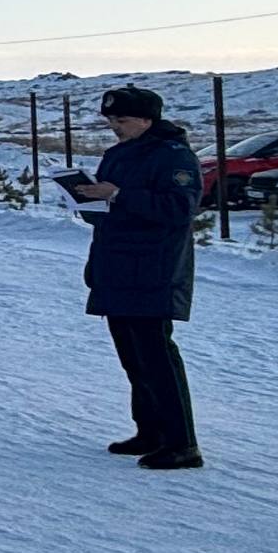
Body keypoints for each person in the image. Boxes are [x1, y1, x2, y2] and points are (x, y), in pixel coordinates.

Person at [74, 85, 205, 469]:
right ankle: (150, 431)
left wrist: (118, 195)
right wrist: (88, 200)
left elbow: (180, 208)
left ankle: (183, 443)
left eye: (123, 120)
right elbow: (108, 208)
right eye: (111, 120)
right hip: (115, 266)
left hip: (154, 269)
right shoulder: (117, 155)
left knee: (158, 357)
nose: (115, 127)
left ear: (148, 120)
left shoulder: (174, 157)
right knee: (133, 357)